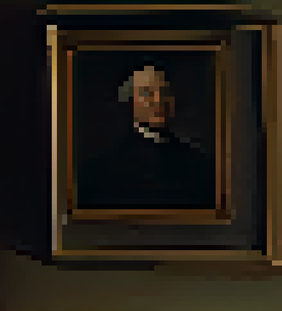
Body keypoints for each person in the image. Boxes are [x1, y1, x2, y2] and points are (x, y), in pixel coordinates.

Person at [76, 64, 217, 210]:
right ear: (130, 103)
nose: (159, 101)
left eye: (164, 92)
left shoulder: (200, 165)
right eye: (147, 93)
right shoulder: (100, 172)